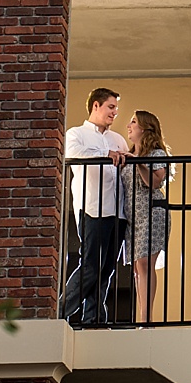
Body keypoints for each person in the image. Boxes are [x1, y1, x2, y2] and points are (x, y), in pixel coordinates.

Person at [60, 87, 129, 324]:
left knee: (107, 269)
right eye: (111, 107)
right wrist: (105, 153)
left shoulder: (118, 139)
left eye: (116, 109)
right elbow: (74, 154)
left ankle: (94, 320)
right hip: (92, 209)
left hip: (117, 212)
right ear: (96, 106)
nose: (114, 113)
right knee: (90, 266)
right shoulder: (75, 134)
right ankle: (59, 313)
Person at [123, 110, 173, 324]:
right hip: (133, 216)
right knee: (137, 267)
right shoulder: (128, 153)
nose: (129, 125)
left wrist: (138, 163)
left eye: (133, 122)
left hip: (153, 211)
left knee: (144, 263)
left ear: (144, 127)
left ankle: (146, 319)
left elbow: (153, 183)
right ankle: (141, 316)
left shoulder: (156, 154)